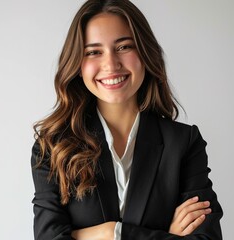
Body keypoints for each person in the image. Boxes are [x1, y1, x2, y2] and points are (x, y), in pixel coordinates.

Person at [30, 0, 223, 239]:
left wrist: (110, 233)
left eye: (123, 47)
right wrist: (161, 234)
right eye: (93, 52)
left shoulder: (184, 142)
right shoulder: (53, 147)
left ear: (144, 52)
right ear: (78, 65)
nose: (111, 64)